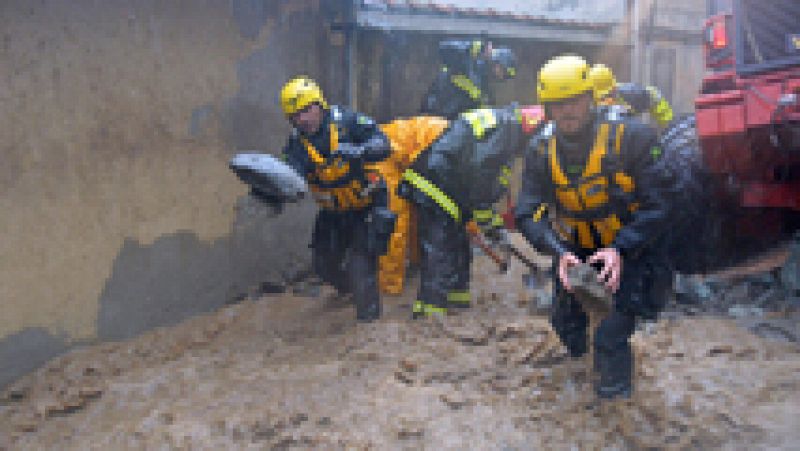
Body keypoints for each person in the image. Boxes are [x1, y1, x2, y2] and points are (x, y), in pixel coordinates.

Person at [515, 55, 676, 398]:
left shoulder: (633, 137)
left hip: (635, 246)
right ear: (546, 108)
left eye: (574, 100)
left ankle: (615, 403)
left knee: (610, 335)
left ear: (591, 97)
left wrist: (621, 248)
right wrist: (559, 253)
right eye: (557, 104)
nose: (567, 111)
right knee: (564, 323)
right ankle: (579, 380)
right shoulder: (540, 150)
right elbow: (526, 213)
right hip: (577, 249)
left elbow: (662, 205)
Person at [398, 104, 543, 317]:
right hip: (435, 184)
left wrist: (492, 224)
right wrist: (487, 220)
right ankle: (429, 316)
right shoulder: (505, 131)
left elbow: (482, 179)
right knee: (441, 251)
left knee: (458, 248)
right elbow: (482, 174)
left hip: (449, 189)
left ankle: (458, 302)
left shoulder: (505, 127)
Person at [279, 76, 394, 322]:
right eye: (294, 117)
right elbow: (291, 176)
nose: (302, 120)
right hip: (333, 212)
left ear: (318, 105)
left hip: (367, 205)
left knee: (361, 267)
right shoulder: (296, 145)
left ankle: (368, 326)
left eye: (305, 111)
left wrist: (361, 151)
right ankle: (349, 290)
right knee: (323, 265)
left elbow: (384, 143)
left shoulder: (348, 121)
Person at [420, 39, 516, 119]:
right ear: (496, 60)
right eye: (502, 71)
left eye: (505, 76)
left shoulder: (486, 91)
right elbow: (444, 50)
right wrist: (473, 47)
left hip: (452, 126)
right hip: (434, 114)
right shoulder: (468, 61)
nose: (501, 76)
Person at [589, 63, 674, 128]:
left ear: (614, 88)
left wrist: (667, 126)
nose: (605, 100)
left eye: (608, 95)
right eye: (601, 97)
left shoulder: (631, 94)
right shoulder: (585, 106)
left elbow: (655, 96)